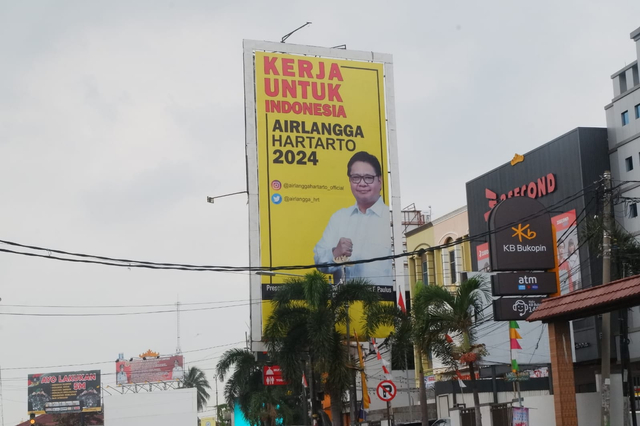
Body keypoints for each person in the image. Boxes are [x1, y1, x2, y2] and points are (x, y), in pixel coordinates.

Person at [313, 151, 392, 287]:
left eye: (368, 177)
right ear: (349, 180)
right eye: (356, 177)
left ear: (380, 180)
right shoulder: (339, 218)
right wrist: (335, 253)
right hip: (344, 304)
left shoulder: (391, 219)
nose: (362, 184)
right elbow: (319, 261)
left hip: (382, 303)